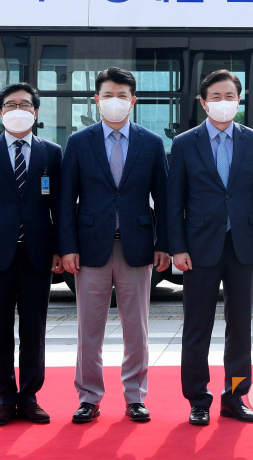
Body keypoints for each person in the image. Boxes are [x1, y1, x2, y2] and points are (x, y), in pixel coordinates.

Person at [58, 67, 170, 425]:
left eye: (122, 96)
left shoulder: (151, 143)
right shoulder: (79, 142)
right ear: (96, 100)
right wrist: (67, 247)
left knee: (136, 329)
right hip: (90, 248)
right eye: (108, 95)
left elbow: (164, 199)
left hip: (136, 247)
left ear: (133, 101)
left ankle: (135, 397)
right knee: (89, 331)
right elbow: (66, 200)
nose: (115, 101)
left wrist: (164, 243)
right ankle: (88, 397)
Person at [169, 69, 253, 426]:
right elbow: (174, 201)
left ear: (239, 100)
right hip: (199, 248)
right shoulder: (185, 143)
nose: (223, 102)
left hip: (243, 245)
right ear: (203, 102)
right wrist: (177, 246)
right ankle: (198, 399)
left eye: (230, 96)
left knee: (240, 327)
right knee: (197, 327)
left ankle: (235, 396)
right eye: (216, 96)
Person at [0, 83, 62, 427]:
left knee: (34, 330)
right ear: (0, 111)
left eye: (25, 104)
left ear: (36, 111)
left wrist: (60, 249)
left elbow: (60, 206)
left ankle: (30, 397)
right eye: (10, 104)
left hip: (38, 254)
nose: (18, 109)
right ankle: (4, 398)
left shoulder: (52, 152)